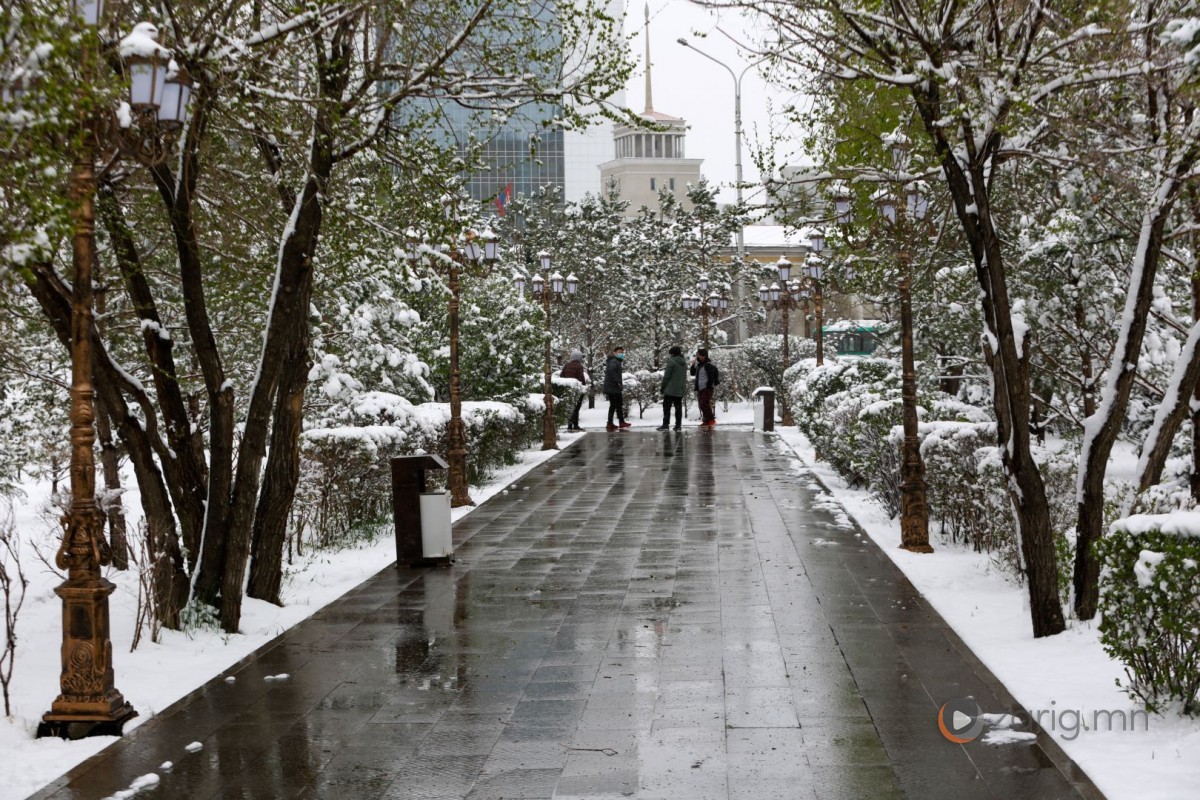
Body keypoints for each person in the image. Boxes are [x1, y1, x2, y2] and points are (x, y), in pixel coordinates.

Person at [560, 349, 590, 432]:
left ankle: (569, 425)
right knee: (576, 408)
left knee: (570, 408)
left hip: (568, 390)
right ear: (579, 357)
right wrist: (584, 387)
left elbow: (561, 376)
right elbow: (581, 378)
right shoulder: (579, 366)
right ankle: (575, 425)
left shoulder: (566, 365)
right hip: (577, 390)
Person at [658, 345, 687, 431]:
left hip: (670, 389)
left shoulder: (671, 361)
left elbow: (667, 376)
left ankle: (665, 424)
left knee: (667, 407)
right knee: (678, 408)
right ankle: (678, 425)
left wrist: (663, 387)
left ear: (672, 354)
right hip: (680, 389)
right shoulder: (684, 362)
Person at [603, 345, 631, 431]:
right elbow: (612, 372)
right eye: (619, 352)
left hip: (614, 387)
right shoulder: (614, 361)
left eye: (622, 352)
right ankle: (611, 423)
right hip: (613, 387)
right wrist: (617, 382)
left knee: (618, 405)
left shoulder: (616, 361)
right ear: (614, 353)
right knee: (614, 405)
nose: (621, 354)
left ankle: (619, 422)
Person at [690, 348, 719, 427]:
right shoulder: (699, 365)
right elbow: (692, 373)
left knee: (704, 403)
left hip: (707, 388)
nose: (697, 357)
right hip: (700, 388)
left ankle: (711, 420)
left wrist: (708, 386)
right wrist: (693, 365)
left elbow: (711, 377)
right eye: (697, 355)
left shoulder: (708, 365)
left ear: (704, 356)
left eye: (698, 355)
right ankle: (706, 421)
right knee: (701, 404)